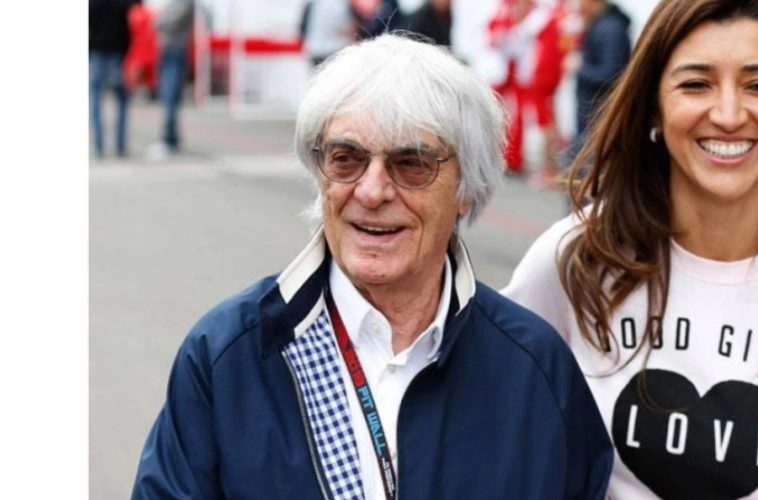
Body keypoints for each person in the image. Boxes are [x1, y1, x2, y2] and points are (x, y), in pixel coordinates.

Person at [132, 33, 613, 500]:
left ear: (466, 189)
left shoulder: (535, 368)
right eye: (346, 159)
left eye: (412, 164)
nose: (371, 191)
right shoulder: (229, 355)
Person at [503, 0, 758, 498]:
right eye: (696, 84)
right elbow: (495, 406)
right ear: (655, 106)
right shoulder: (580, 253)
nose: (729, 115)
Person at [488, 0, 568, 185]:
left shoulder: (542, 17)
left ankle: (550, 171)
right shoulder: (542, 16)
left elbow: (517, 37)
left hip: (539, 76)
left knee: (544, 120)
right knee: (539, 119)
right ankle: (546, 169)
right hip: (530, 75)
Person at [565, 0, 631, 168]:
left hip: (597, 111)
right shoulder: (602, 23)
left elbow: (612, 74)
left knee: (591, 166)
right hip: (593, 110)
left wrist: (579, 69)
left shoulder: (609, 28)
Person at [89, 0, 137, 158]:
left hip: (97, 53)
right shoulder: (123, 3)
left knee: (96, 102)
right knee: (122, 101)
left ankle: (99, 145)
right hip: (117, 55)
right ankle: (120, 145)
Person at [147, 0, 194, 159]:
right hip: (169, 53)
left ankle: (168, 140)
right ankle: (171, 138)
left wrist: (158, 21)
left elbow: (166, 21)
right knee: (168, 99)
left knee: (170, 99)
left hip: (175, 54)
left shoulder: (184, 3)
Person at [300, 0, 363, 67]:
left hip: (317, 49)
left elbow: (303, 28)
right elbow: (354, 25)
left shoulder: (312, 4)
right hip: (338, 49)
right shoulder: (344, 4)